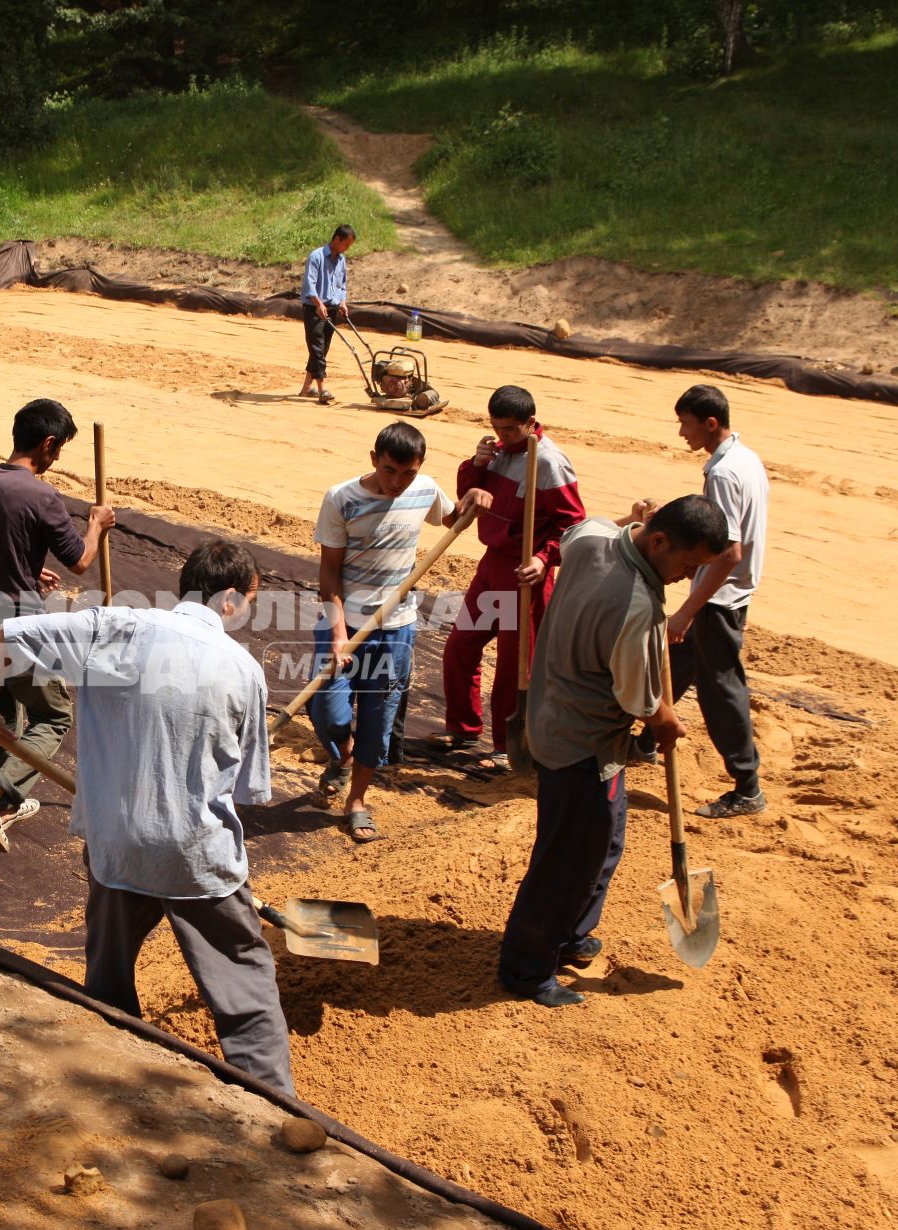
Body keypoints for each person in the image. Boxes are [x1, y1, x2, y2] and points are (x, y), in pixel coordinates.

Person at [0, 540, 294, 1093]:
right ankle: (278, 1102)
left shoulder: (115, 628)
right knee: (246, 986)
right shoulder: (245, 670)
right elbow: (245, 789)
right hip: (197, 854)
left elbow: (13, 633)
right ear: (235, 598)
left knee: (108, 975)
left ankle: (109, 1073)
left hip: (115, 843)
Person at [498, 496, 730, 1007]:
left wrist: (632, 515)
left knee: (604, 839)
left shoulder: (593, 539)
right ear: (659, 540)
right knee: (567, 861)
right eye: (686, 567)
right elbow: (637, 698)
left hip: (558, 719)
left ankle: (573, 932)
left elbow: (586, 524)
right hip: (581, 745)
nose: (684, 579)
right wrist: (665, 721)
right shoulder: (638, 607)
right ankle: (527, 970)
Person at [0, 399, 114, 851]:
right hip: (19, 625)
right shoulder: (41, 495)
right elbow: (81, 561)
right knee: (53, 714)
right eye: (59, 449)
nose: (57, 458)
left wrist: (28, 571)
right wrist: (97, 524)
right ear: (47, 444)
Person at [311, 421, 474, 843]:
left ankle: (358, 801)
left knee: (378, 716)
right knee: (327, 709)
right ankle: (342, 759)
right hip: (344, 621)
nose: (397, 482)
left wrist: (473, 496)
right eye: (389, 471)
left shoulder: (425, 490)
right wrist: (337, 634)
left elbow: (454, 519)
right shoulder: (341, 498)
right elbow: (329, 571)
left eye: (408, 473)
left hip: (396, 627)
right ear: (373, 460)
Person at [634, 384, 771, 819]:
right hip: (728, 592)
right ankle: (643, 742)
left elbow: (728, 550)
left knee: (721, 690)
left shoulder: (724, 473)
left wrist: (686, 611)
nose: (681, 433)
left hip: (718, 598)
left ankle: (747, 786)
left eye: (685, 423)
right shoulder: (744, 459)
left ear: (710, 423)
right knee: (678, 667)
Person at [432, 385, 586, 772]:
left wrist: (543, 558)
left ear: (531, 423)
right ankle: (464, 728)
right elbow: (467, 496)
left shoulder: (549, 463)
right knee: (460, 646)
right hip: (492, 566)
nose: (503, 437)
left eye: (511, 430)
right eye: (496, 428)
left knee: (514, 667)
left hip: (524, 575)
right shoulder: (496, 451)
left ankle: (505, 745)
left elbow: (573, 524)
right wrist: (477, 463)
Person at [298, 224, 356, 404]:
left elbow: (342, 285)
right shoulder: (316, 257)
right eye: (345, 244)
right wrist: (318, 304)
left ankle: (306, 389)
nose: (346, 249)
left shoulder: (341, 260)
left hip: (331, 309)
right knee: (317, 348)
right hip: (314, 309)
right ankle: (322, 389)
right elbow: (309, 285)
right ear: (337, 239)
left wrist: (343, 302)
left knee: (322, 349)